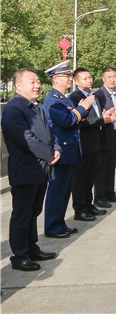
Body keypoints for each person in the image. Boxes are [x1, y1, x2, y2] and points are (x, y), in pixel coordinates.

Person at [1, 68, 60, 270]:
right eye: (32, 82)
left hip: (40, 169)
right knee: (22, 213)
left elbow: (50, 133)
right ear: (18, 85)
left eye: (38, 81)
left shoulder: (37, 106)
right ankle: (20, 256)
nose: (37, 85)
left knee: (34, 211)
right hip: (25, 169)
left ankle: (32, 248)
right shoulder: (13, 109)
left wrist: (57, 148)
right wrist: (49, 154)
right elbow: (27, 139)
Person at [43, 61, 94, 238]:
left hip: (70, 151)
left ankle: (60, 224)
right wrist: (82, 108)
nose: (69, 79)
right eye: (66, 76)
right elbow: (66, 121)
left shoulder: (63, 98)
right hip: (61, 152)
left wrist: (81, 110)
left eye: (69, 76)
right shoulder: (53, 100)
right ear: (56, 79)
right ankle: (52, 227)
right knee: (57, 191)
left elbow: (75, 119)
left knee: (65, 192)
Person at [70, 68, 116, 221]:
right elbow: (83, 121)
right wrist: (103, 120)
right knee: (81, 178)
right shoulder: (75, 97)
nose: (89, 80)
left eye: (90, 77)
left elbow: (95, 116)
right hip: (83, 143)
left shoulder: (93, 95)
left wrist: (104, 116)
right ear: (77, 82)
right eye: (85, 78)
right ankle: (80, 209)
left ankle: (89, 205)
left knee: (91, 177)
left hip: (96, 142)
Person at [94, 67, 116, 208]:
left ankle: (109, 193)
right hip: (104, 137)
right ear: (103, 79)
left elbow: (115, 113)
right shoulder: (99, 95)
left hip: (115, 134)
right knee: (102, 167)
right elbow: (97, 117)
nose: (112, 80)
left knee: (111, 166)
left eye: (114, 77)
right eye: (109, 77)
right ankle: (99, 197)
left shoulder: (115, 94)